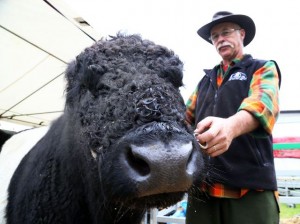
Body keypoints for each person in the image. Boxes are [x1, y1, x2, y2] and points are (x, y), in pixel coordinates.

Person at [185, 11, 281, 224]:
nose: (220, 39)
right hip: (202, 189)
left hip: (250, 188)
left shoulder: (262, 68)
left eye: (226, 32)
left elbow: (262, 105)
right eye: (215, 36)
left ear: (242, 34)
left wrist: (230, 127)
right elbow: (183, 118)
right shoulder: (204, 82)